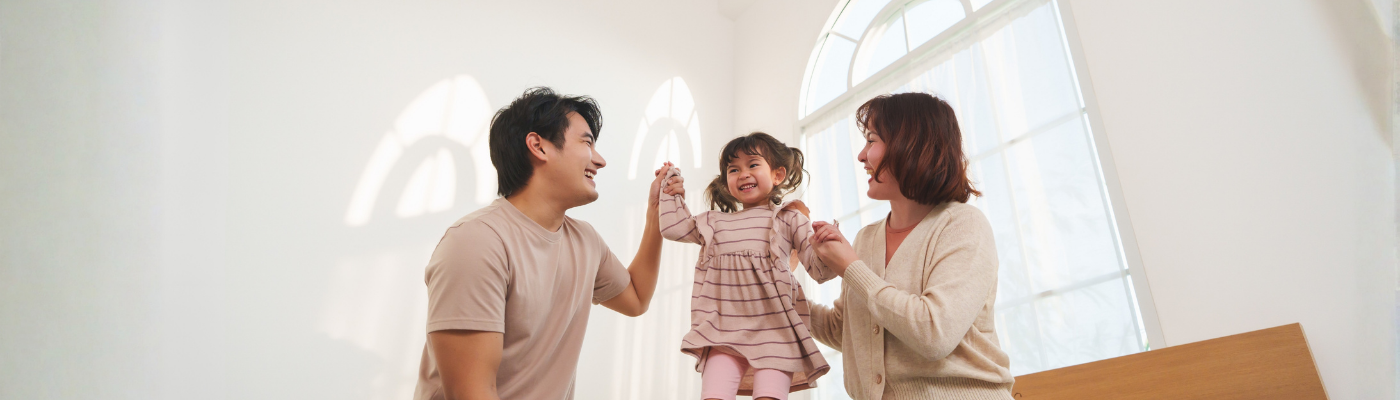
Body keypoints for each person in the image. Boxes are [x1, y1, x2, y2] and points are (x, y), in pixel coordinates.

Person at [413, 87, 671, 400]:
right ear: (538, 146)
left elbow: (636, 299)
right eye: (587, 142)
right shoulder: (476, 242)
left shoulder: (586, 241)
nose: (600, 160)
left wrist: (656, 215)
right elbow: (472, 392)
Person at [807, 92, 1015, 400]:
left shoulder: (963, 225)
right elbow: (846, 330)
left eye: (871, 140)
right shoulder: (866, 238)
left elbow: (934, 333)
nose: (862, 156)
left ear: (911, 145)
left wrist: (850, 267)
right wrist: (779, 293)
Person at [655, 132, 837, 400]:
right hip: (722, 332)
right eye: (733, 169)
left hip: (776, 332)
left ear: (777, 174)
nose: (743, 174)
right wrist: (671, 190)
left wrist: (828, 243)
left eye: (753, 164)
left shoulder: (789, 218)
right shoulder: (714, 222)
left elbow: (820, 271)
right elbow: (673, 228)